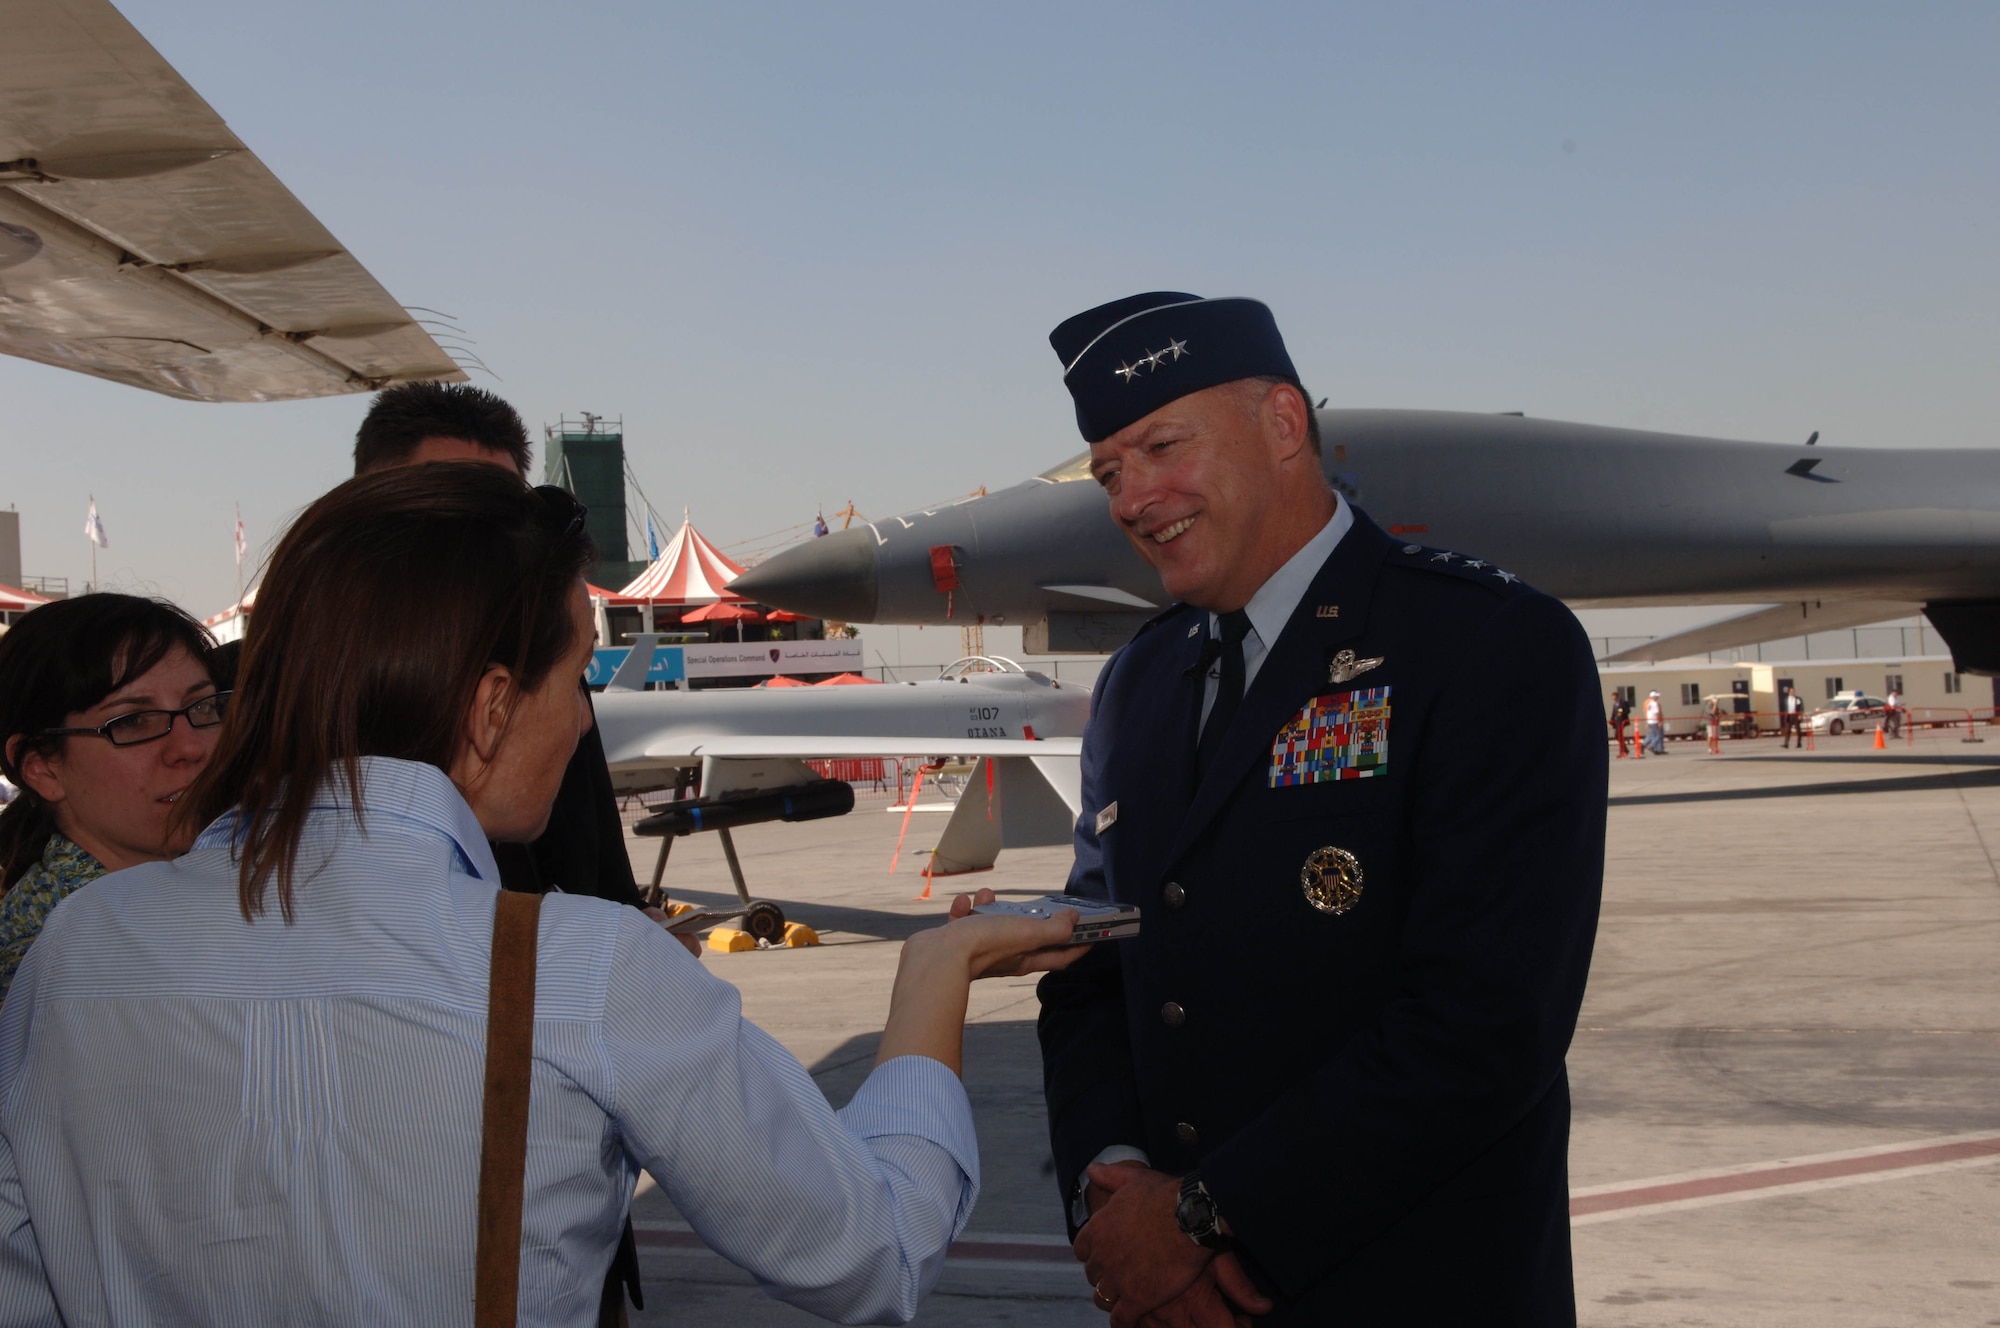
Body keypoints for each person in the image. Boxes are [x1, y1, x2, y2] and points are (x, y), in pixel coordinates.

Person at [0, 465, 1085, 1325]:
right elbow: (874, 1256)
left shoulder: (80, 943)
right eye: (573, 681)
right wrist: (933, 976)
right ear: (487, 706)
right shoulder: (576, 965)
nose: (578, 724)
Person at [1034, 292, 1605, 1325]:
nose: (1131, 496)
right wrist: (1112, 1188)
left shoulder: (1483, 645)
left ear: (1283, 425)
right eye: (1109, 469)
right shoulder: (1136, 682)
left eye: (1161, 444)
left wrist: (1202, 1217)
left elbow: (1482, 1025)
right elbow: (1094, 970)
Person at [353, 381, 652, 1323]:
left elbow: (598, 867)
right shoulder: (285, 698)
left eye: (502, 510)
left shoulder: (551, 676)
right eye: (451, 508)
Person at [0, 595, 220, 1005]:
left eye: (202, 706)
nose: (190, 746)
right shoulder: (56, 964)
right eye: (133, 721)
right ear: (43, 768)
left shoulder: (188, 900)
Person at [1609, 690, 1632, 758]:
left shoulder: (1623, 702)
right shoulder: (1615, 704)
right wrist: (1611, 723)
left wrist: (1622, 713)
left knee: (1618, 735)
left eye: (1615, 697)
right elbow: (1613, 714)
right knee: (1618, 736)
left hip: (1622, 722)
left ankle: (1623, 751)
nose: (1614, 699)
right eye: (1613, 698)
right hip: (1617, 722)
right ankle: (1624, 749)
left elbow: (1628, 710)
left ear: (1617, 696)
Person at [1643, 689, 1666, 754]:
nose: (1657, 697)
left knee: (1653, 735)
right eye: (1656, 696)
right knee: (1658, 735)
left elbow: (1647, 713)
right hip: (1654, 721)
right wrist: (1659, 721)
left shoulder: (1648, 704)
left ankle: (1656, 748)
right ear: (1653, 697)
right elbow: (1656, 713)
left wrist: (1647, 721)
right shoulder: (1655, 704)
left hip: (1650, 721)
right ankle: (1652, 746)